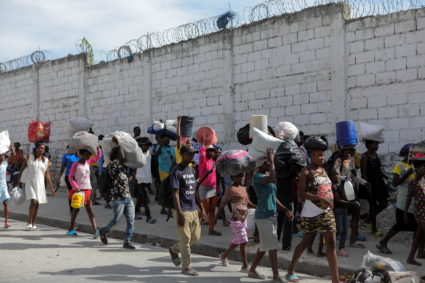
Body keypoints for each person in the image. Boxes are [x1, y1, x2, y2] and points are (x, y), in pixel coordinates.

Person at [286, 137, 339, 283]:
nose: (322, 157)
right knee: (305, 242)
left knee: (331, 243)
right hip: (311, 213)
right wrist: (321, 199)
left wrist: (332, 198)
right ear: (311, 156)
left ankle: (335, 279)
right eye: (318, 155)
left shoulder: (323, 170)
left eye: (323, 154)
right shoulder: (306, 172)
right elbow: (301, 194)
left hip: (327, 212)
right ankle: (291, 270)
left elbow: (327, 188)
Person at [248, 149, 293, 283]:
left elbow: (274, 197)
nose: (269, 164)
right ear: (260, 165)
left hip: (271, 214)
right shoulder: (258, 178)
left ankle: (252, 269)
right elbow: (272, 177)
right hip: (264, 215)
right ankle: (275, 275)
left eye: (268, 162)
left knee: (265, 245)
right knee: (272, 246)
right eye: (266, 163)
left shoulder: (266, 176)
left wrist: (284, 209)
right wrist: (272, 160)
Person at [377, 143, 425, 256]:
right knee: (401, 224)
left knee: (419, 227)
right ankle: (383, 242)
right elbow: (395, 183)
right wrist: (407, 174)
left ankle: (419, 251)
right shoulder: (400, 166)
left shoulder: (418, 166)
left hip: (416, 202)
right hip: (404, 200)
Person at [168, 144, 206, 276]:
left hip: (193, 208)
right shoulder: (176, 171)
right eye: (189, 153)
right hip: (182, 210)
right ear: (182, 154)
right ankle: (186, 267)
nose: (192, 156)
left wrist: (201, 207)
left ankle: (174, 249)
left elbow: (195, 190)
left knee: (195, 237)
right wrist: (179, 213)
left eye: (193, 153)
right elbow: (176, 194)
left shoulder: (191, 170)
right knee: (185, 240)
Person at [99, 136, 136, 249]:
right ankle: (104, 231)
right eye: (121, 153)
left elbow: (126, 177)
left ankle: (127, 241)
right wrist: (119, 144)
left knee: (131, 220)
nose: (123, 155)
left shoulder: (123, 167)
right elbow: (122, 157)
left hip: (127, 197)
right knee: (116, 220)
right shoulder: (113, 165)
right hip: (118, 198)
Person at [214, 172, 256, 272]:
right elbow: (222, 204)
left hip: (243, 219)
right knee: (244, 241)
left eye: (242, 176)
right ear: (232, 177)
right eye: (239, 176)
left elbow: (248, 203)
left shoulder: (243, 189)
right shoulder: (230, 189)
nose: (241, 178)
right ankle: (245, 266)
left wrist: (258, 207)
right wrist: (216, 218)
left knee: (237, 241)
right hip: (236, 219)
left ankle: (224, 255)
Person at [19, 143, 55, 231]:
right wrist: (18, 182)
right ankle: (29, 222)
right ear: (36, 149)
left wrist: (51, 188)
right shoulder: (29, 157)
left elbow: (47, 175)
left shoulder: (45, 160)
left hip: (40, 184)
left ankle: (33, 223)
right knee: (34, 201)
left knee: (37, 204)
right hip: (30, 182)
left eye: (43, 148)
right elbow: (22, 169)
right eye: (40, 148)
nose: (42, 150)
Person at [67, 147, 102, 237]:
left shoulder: (88, 162)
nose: (89, 156)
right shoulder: (75, 164)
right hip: (78, 191)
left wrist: (98, 148)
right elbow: (70, 177)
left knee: (90, 210)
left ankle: (95, 231)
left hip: (88, 189)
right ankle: (70, 229)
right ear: (81, 154)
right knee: (76, 209)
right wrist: (75, 186)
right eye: (87, 154)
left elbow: (98, 157)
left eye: (89, 155)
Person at [360, 140, 388, 236]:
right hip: (370, 184)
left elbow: (378, 169)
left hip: (379, 182)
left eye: (377, 144)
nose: (377, 146)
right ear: (369, 145)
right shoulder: (364, 156)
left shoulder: (376, 155)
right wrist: (368, 186)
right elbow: (363, 173)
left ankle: (367, 220)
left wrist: (386, 176)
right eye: (375, 144)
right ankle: (374, 229)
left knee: (384, 203)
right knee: (373, 206)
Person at [405, 160, 425, 266]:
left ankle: (410, 257)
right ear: (418, 168)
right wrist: (405, 212)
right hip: (420, 211)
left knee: (419, 235)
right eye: (423, 167)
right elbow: (409, 197)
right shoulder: (413, 182)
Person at [198, 144, 221, 236]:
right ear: (206, 152)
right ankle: (191, 217)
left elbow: (215, 177)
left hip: (213, 188)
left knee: (212, 210)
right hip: (204, 187)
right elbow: (202, 154)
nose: (212, 152)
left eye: (213, 151)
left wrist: (217, 189)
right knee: (206, 209)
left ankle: (211, 229)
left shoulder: (213, 162)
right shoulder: (203, 160)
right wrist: (203, 144)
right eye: (210, 151)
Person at [134, 137, 156, 224]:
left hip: (147, 178)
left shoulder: (149, 154)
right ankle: (148, 216)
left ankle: (135, 213)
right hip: (140, 178)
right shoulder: (138, 154)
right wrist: (133, 176)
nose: (146, 147)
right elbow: (134, 166)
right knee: (145, 197)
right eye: (145, 145)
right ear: (141, 146)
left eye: (148, 145)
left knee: (140, 197)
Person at [153, 133, 176, 215]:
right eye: (166, 139)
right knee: (165, 190)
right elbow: (155, 155)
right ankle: (165, 208)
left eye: (169, 139)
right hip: (163, 171)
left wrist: (173, 169)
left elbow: (174, 160)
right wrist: (161, 144)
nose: (168, 140)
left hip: (171, 171)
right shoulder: (160, 148)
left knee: (170, 191)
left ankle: (167, 209)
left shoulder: (172, 149)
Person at [56, 148, 80, 212]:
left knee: (77, 193)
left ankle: (76, 207)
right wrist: (59, 177)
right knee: (72, 192)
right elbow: (62, 167)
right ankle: (72, 209)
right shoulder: (66, 156)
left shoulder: (78, 156)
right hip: (69, 177)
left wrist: (79, 156)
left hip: (78, 177)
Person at [1, 145, 15, 228]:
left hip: (3, 187)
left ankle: (6, 221)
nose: (2, 157)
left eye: (3, 156)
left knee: (5, 203)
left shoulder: (5, 164)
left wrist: (12, 149)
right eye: (1, 155)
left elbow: (13, 157)